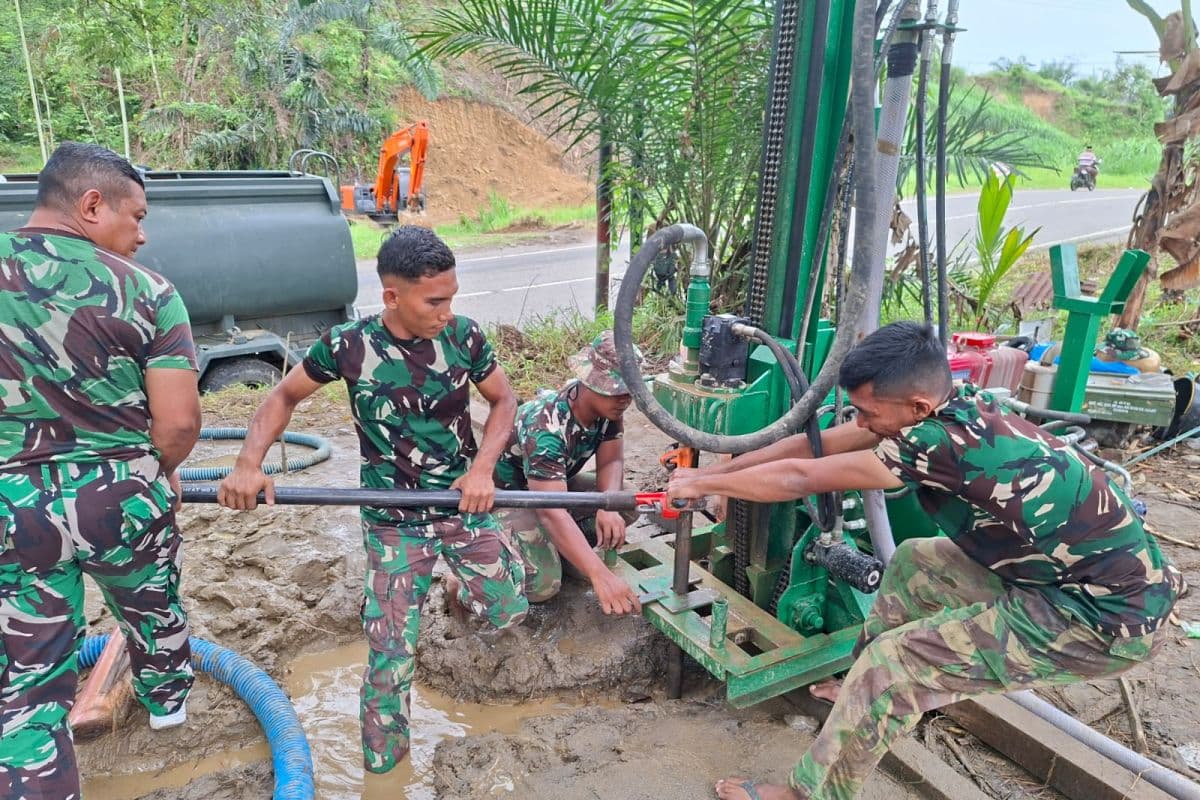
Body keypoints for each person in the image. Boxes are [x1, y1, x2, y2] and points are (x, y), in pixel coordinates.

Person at [666, 321, 1185, 800]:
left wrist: (710, 485)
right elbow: (813, 447)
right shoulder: (954, 404)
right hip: (1064, 580)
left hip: (1102, 620)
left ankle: (809, 792)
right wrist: (715, 473)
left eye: (868, 412)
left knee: (895, 664)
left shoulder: (937, 443)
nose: (860, 421)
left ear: (916, 406)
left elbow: (801, 478)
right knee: (915, 562)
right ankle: (861, 692)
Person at [217, 225, 527, 774]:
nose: (447, 312)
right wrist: (248, 464)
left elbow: (504, 400)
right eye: (434, 301)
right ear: (392, 296)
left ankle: (456, 589)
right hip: (392, 520)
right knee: (390, 657)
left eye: (451, 298)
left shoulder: (465, 337)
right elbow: (283, 396)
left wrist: (482, 470)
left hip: (462, 503)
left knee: (509, 606)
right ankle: (385, 771)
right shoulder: (348, 345)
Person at [0, 141, 202, 799]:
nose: (141, 236)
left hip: (13, 507)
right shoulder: (149, 291)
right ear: (91, 205)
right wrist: (154, 469)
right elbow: (179, 425)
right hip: (123, 498)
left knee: (26, 685)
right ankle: (167, 706)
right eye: (136, 217)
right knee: (152, 606)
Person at [483, 331, 644, 616]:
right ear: (588, 382)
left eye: (629, 391)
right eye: (616, 390)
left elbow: (611, 460)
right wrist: (601, 576)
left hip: (553, 487)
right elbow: (551, 511)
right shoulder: (545, 428)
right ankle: (473, 579)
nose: (624, 399)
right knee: (543, 586)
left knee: (626, 501)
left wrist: (607, 504)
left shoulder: (608, 410)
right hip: (510, 498)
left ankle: (563, 554)